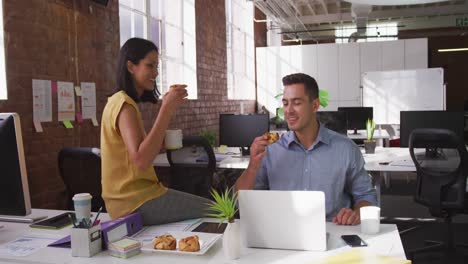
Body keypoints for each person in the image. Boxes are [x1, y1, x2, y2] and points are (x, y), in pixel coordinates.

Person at [234, 73, 377, 225]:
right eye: (285, 103)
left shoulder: (346, 149)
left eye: (297, 103)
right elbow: (238, 203)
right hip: (282, 234)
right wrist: (252, 167)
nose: (289, 111)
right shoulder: (271, 150)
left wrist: (355, 214)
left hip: (332, 233)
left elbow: (367, 197)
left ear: (315, 105)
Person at [101, 37, 211, 225]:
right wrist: (166, 108)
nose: (156, 73)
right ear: (130, 67)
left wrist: (161, 141)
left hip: (129, 198)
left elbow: (137, 153)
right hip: (134, 200)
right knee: (218, 209)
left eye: (157, 67)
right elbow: (141, 160)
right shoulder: (125, 106)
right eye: (150, 66)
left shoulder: (116, 101)